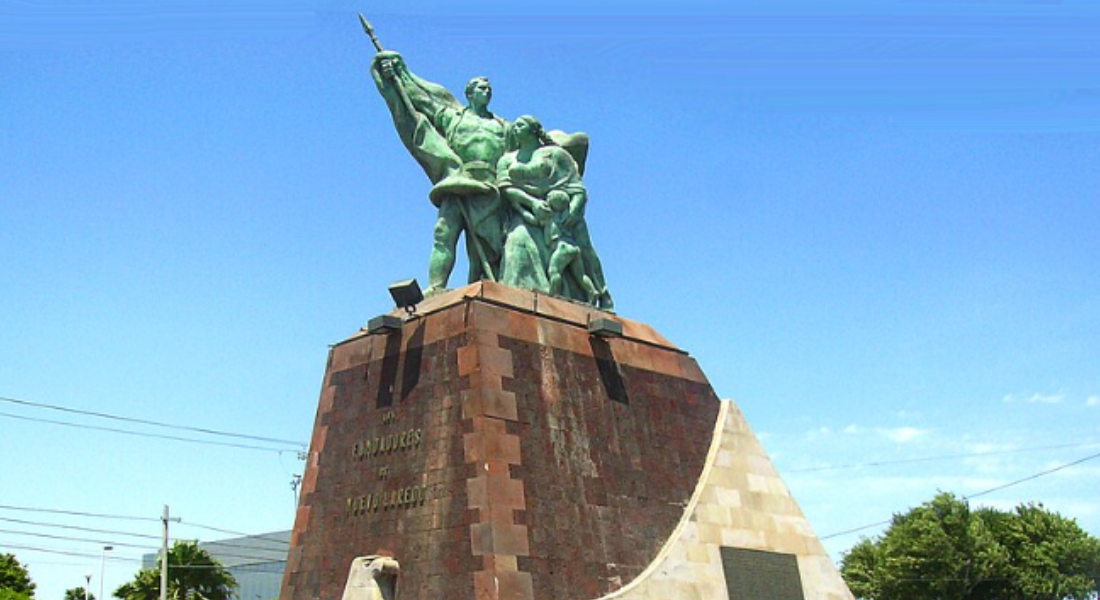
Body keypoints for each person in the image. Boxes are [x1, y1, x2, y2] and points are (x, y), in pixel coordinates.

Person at [369, 50, 508, 295]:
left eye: (489, 89)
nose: (487, 92)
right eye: (481, 88)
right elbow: (420, 99)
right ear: (469, 94)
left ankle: (491, 292)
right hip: (457, 180)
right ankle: (436, 286)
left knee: (487, 250)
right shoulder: (452, 118)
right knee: (444, 233)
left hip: (489, 190)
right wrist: (396, 74)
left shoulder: (503, 126)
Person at [497, 115, 613, 310]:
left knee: (585, 250)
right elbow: (505, 188)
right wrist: (532, 204)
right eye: (514, 126)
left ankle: (603, 294)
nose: (515, 129)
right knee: (515, 242)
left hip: (564, 213)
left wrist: (572, 213)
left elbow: (577, 188)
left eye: (520, 125)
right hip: (526, 211)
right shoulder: (506, 159)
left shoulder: (556, 155)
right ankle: (523, 298)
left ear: (533, 130)